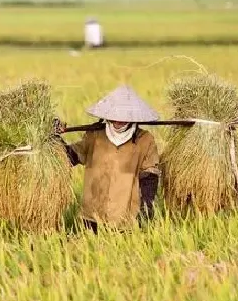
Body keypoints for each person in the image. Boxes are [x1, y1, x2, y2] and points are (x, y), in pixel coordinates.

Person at [54, 85, 161, 234]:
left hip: (126, 219)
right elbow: (69, 158)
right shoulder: (95, 135)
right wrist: (55, 138)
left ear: (133, 117)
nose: (118, 121)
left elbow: (150, 176)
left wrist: (146, 208)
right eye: (114, 116)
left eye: (124, 117)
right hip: (92, 216)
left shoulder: (145, 140)